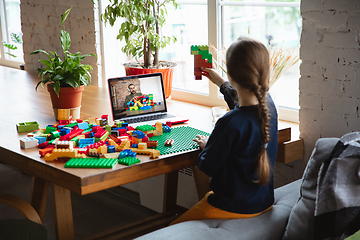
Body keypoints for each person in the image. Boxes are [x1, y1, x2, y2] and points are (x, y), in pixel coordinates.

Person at [171, 37, 278, 225]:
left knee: (173, 228)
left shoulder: (229, 122)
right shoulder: (269, 107)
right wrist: (221, 82)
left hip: (231, 207)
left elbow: (208, 166)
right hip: (264, 202)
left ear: (232, 73)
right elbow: (240, 102)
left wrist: (207, 147)